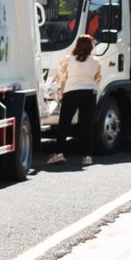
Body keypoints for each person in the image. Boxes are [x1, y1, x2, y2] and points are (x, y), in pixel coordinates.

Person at [49, 32, 103, 167]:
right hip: (89, 93)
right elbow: (97, 78)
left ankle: (58, 153)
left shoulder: (68, 60)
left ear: (77, 45)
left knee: (64, 124)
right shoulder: (96, 62)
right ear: (91, 47)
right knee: (87, 126)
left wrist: (59, 92)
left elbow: (61, 77)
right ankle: (87, 157)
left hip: (71, 93)